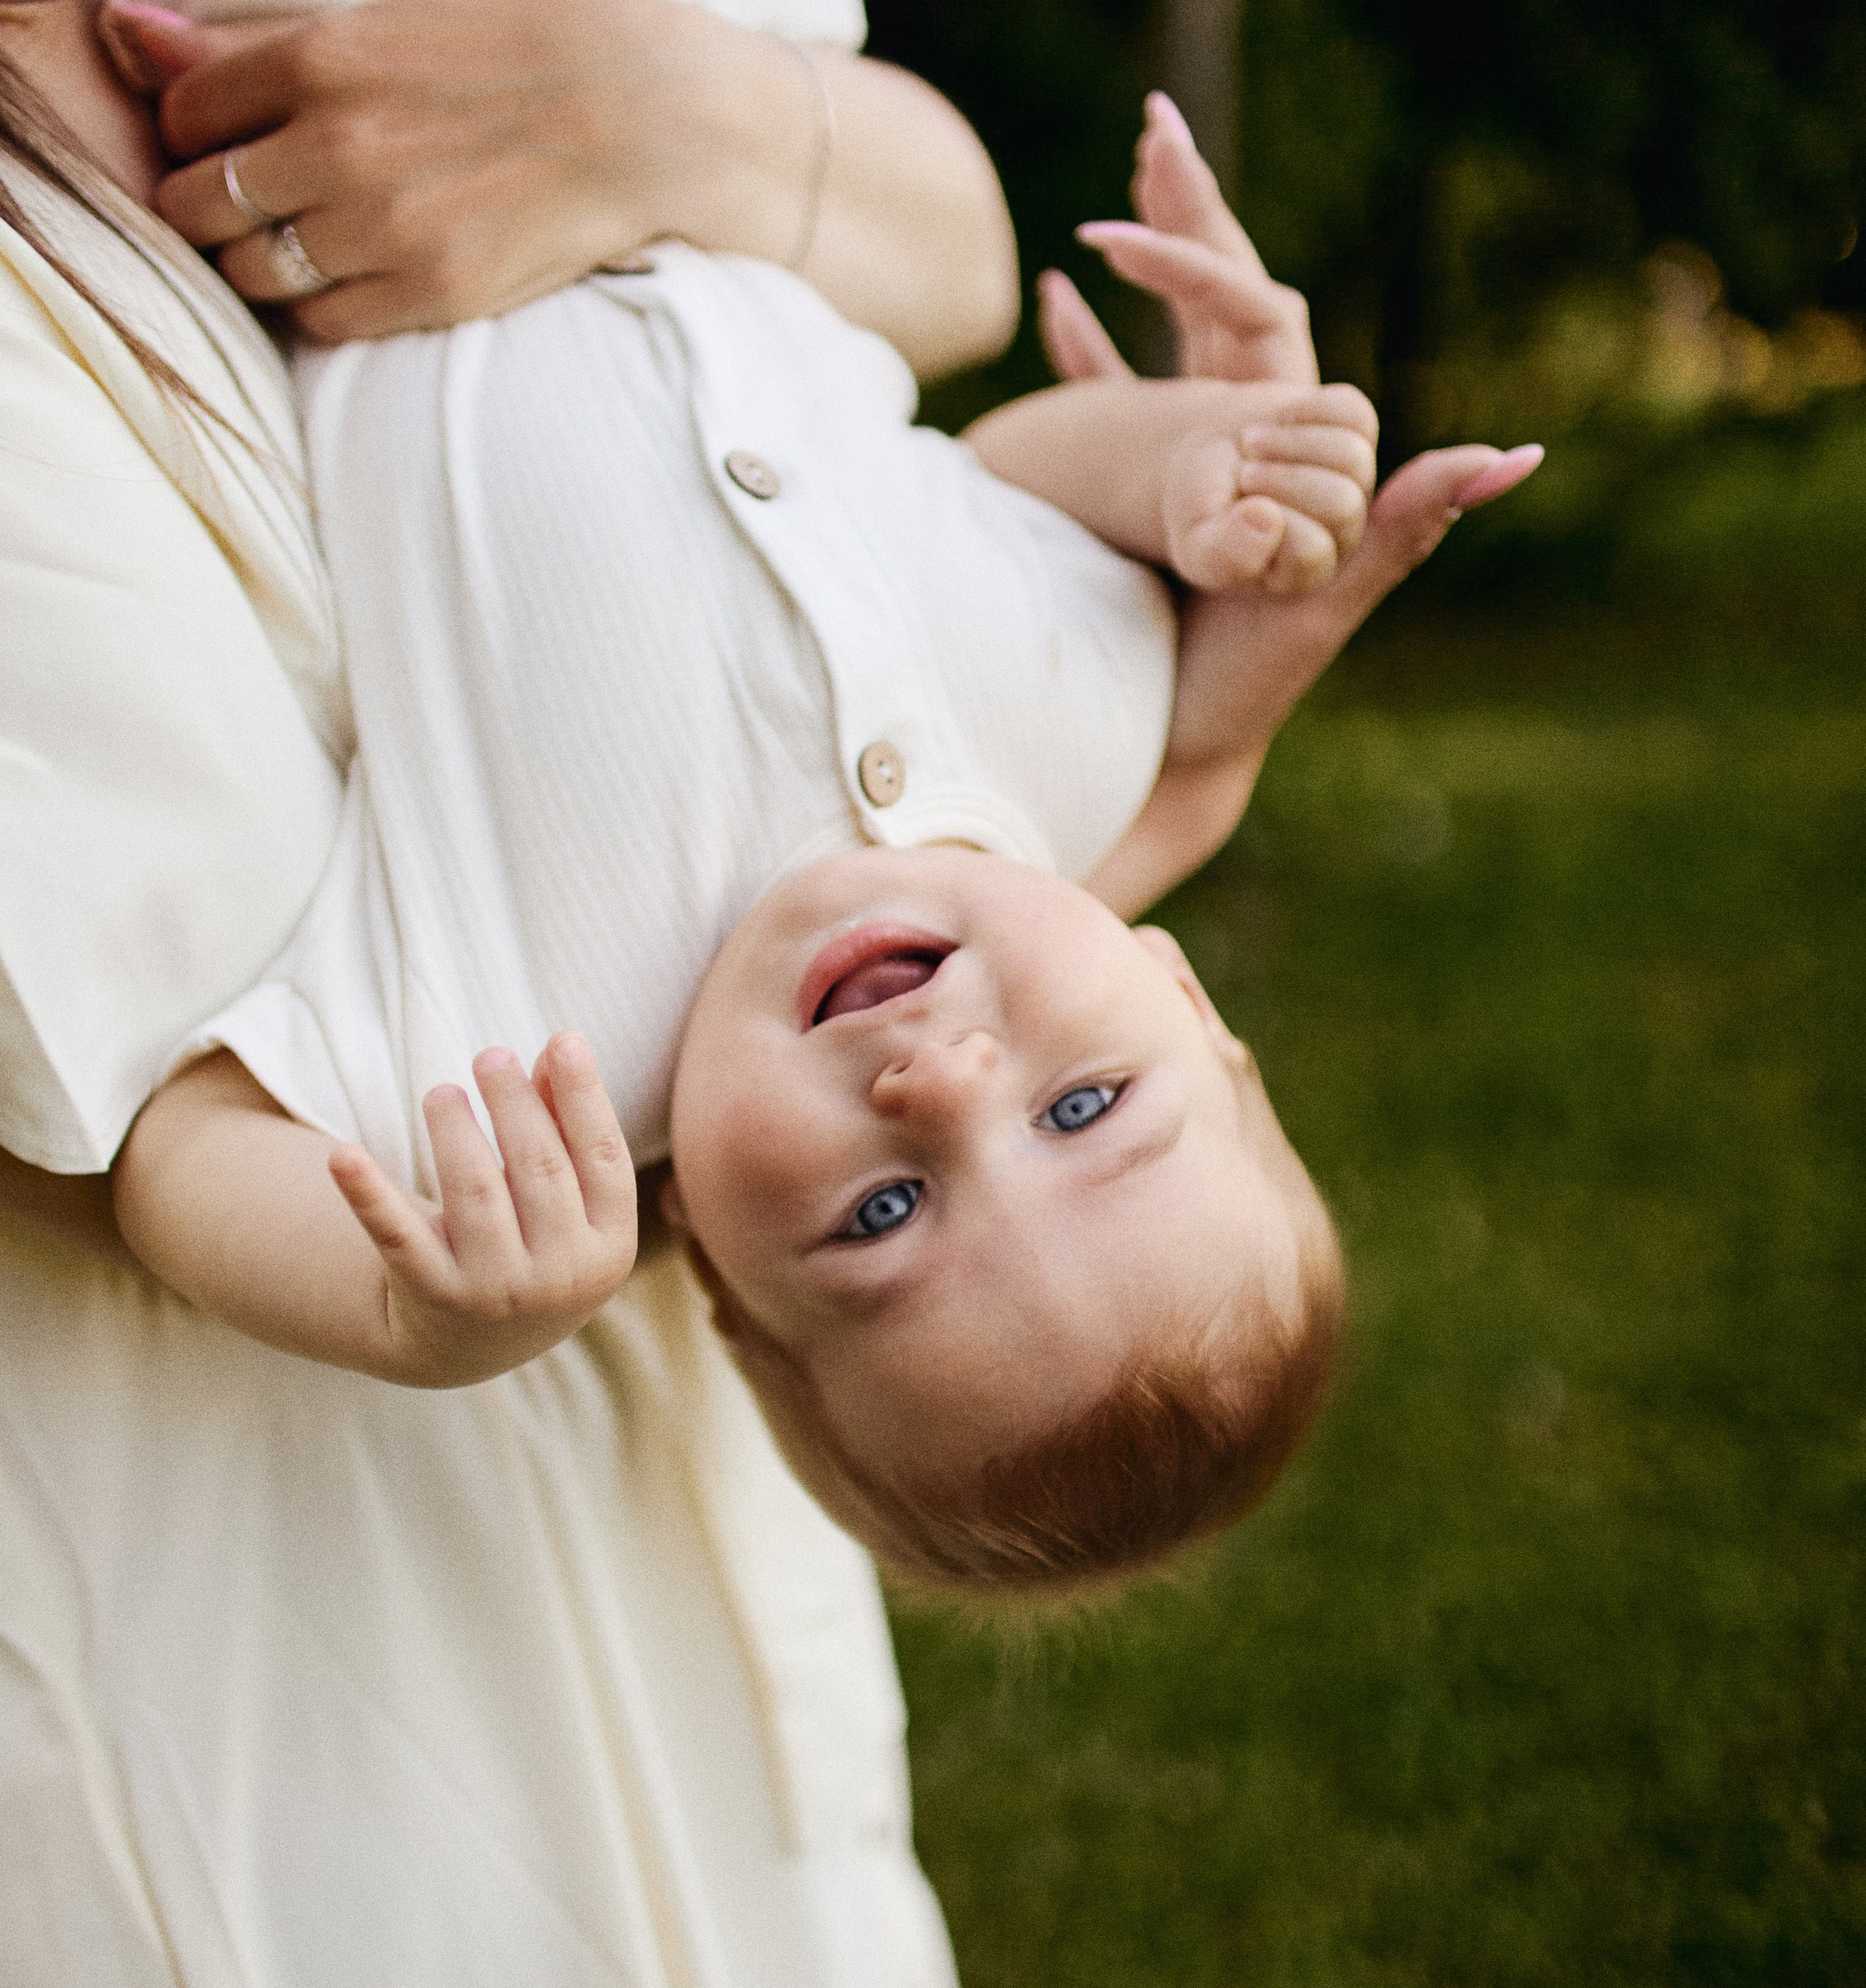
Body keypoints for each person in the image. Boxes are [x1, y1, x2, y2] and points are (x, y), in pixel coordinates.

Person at [0, 0, 1023, 1978]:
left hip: (690, 1548)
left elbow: (955, 253)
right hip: (231, 1638)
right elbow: (193, 1098)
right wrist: (1158, 782)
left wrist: (641, 113)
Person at [106, 92, 1535, 1590]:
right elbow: (987, 482)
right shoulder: (1085, 742)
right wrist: (1180, 466)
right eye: (1084, 1109)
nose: (942, 1084)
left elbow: (172, 1147)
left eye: (884, 1213)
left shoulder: (523, 1057)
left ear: (724, 1282)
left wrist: (425, 1322)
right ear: (1181, 997)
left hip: (345, 149)